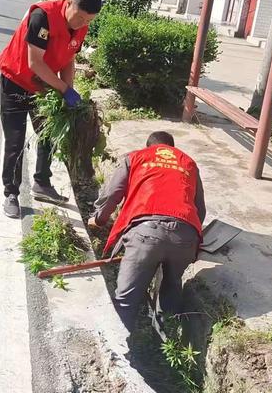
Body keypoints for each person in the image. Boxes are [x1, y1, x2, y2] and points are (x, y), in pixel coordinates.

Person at [0, 0, 102, 218]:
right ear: (69, 4)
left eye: (89, 21)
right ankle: (11, 193)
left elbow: (68, 59)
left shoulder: (81, 27)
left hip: (43, 87)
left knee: (49, 135)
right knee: (15, 141)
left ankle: (42, 183)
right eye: (80, 17)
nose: (82, 24)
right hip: (15, 81)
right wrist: (64, 89)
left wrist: (69, 92)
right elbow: (35, 62)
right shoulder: (42, 16)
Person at [88, 131, 206, 332]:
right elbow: (199, 210)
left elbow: (112, 194)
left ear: (148, 146)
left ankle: (122, 353)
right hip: (185, 236)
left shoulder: (136, 157)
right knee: (171, 289)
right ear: (172, 147)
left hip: (146, 232)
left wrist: (98, 219)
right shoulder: (188, 163)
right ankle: (165, 346)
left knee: (125, 299)